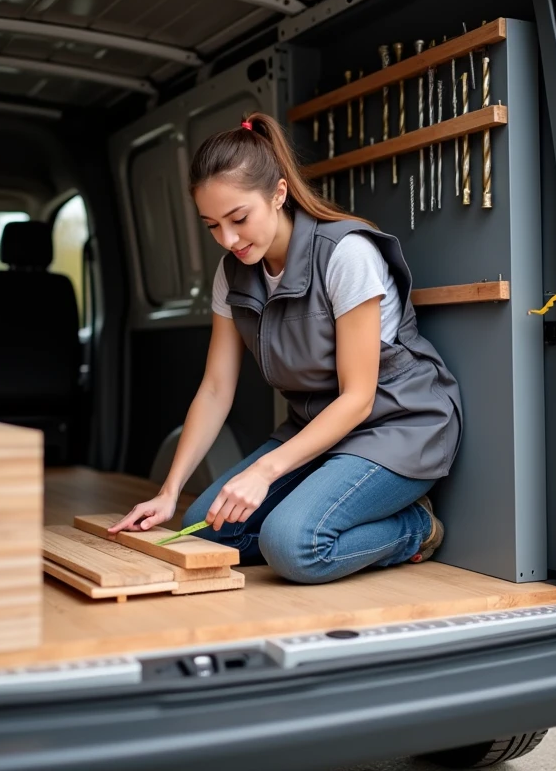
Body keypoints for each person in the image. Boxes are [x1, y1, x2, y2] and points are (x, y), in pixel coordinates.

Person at [109, 112, 463, 585]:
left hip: (397, 428)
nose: (228, 240)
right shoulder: (230, 274)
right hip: (314, 432)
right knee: (209, 535)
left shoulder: (347, 254)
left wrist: (265, 471)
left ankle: (414, 529)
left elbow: (358, 398)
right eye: (212, 225)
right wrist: (169, 492)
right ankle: (319, 507)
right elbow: (215, 389)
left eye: (238, 219)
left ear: (278, 194)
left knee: (293, 546)